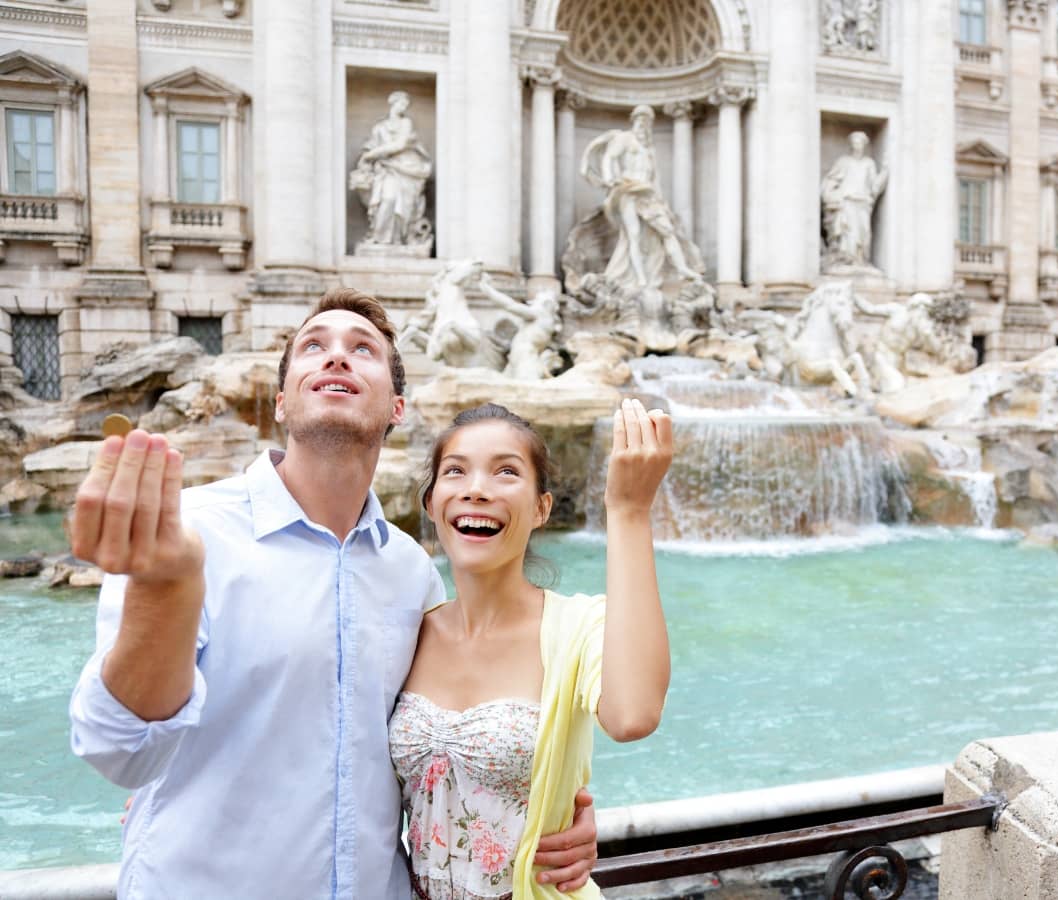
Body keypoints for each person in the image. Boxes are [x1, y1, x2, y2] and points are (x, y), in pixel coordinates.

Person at [68, 288, 599, 899]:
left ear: (397, 406)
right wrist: (166, 591)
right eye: (313, 347)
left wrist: (556, 820)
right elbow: (118, 753)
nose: (337, 357)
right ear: (281, 402)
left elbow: (443, 758)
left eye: (362, 349)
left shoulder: (414, 573)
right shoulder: (186, 535)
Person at [390, 399, 672, 900]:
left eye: (506, 472)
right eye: (456, 471)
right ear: (432, 504)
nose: (476, 489)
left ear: (541, 508)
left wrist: (628, 511)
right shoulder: (406, 631)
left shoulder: (580, 625)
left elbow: (633, 716)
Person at [582, 105, 703, 290]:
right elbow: (609, 158)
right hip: (628, 190)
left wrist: (660, 200)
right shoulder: (624, 138)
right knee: (634, 235)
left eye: (647, 121)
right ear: (634, 121)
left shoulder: (649, 148)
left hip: (648, 194)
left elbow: (655, 178)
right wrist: (609, 179)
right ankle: (640, 279)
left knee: (667, 231)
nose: (643, 124)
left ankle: (682, 268)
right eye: (640, 120)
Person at [351, 90, 434, 247]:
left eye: (406, 105)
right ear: (393, 103)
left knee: (402, 206)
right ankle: (380, 238)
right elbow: (369, 148)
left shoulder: (406, 123)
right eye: (401, 103)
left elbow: (399, 145)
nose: (403, 107)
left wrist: (372, 155)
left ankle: (397, 240)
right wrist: (367, 158)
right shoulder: (379, 128)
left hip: (405, 168)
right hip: (385, 171)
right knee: (388, 200)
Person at [820, 131, 888, 267]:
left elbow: (874, 186)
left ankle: (860, 261)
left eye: (860, 142)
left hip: (862, 203)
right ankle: (846, 260)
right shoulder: (843, 162)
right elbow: (830, 181)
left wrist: (885, 171)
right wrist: (831, 194)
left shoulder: (869, 164)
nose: (857, 145)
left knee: (863, 233)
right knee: (847, 233)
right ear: (851, 144)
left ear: (864, 145)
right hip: (847, 202)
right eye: (855, 142)